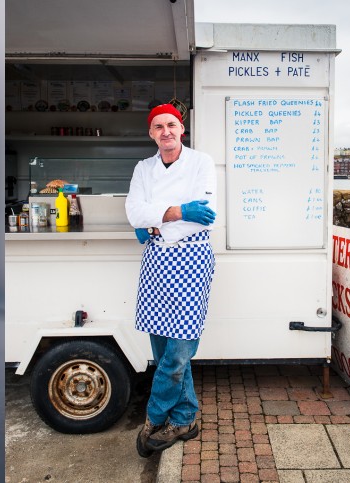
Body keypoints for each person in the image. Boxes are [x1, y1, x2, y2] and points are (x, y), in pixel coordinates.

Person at [125, 103, 217, 456]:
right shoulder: (143, 168)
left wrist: (154, 220)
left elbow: (204, 215)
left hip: (191, 259)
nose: (166, 131)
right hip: (156, 262)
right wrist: (177, 210)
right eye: (158, 126)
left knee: (178, 352)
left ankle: (154, 416)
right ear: (151, 133)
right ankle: (185, 419)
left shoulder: (201, 163)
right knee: (162, 347)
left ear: (182, 129)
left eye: (172, 125)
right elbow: (133, 212)